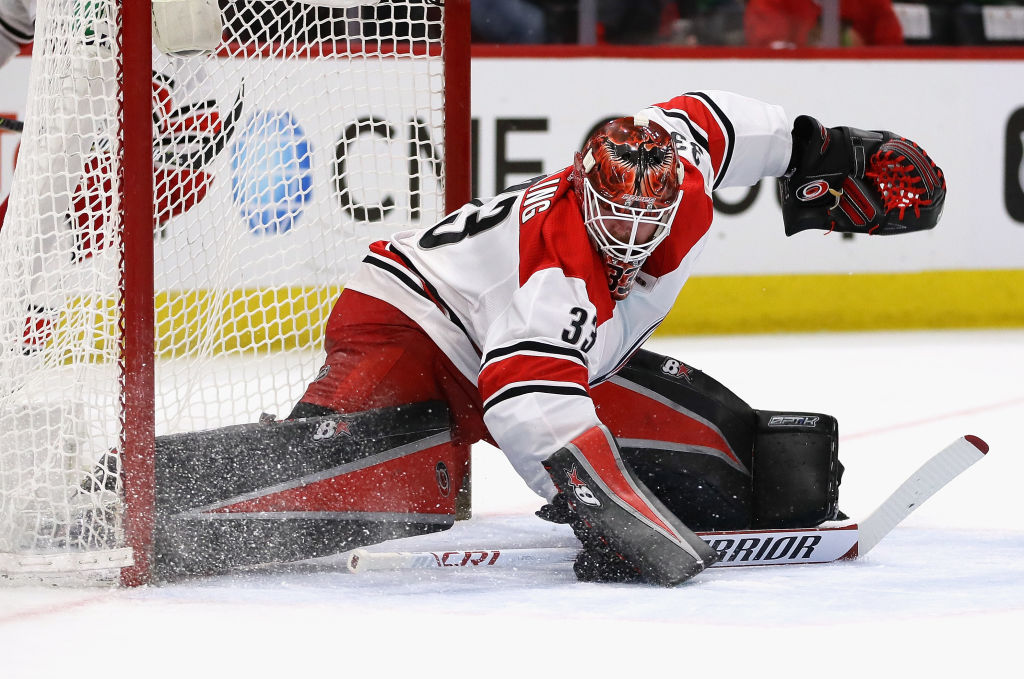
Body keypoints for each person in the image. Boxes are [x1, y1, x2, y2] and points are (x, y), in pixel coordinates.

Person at [280, 90, 945, 585]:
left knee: (754, 473)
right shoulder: (559, 272)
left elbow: (710, 118)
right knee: (307, 483)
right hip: (410, 321)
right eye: (612, 215)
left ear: (672, 193)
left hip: (522, 350)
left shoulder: (681, 177)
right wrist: (608, 512)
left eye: (644, 216)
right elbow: (526, 404)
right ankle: (279, 450)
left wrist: (827, 147)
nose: (628, 236)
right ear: (582, 187)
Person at [745, 0, 904, 48]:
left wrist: (859, 53)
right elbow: (767, 51)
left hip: (860, 87)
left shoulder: (872, 4)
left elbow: (893, 50)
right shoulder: (771, 2)